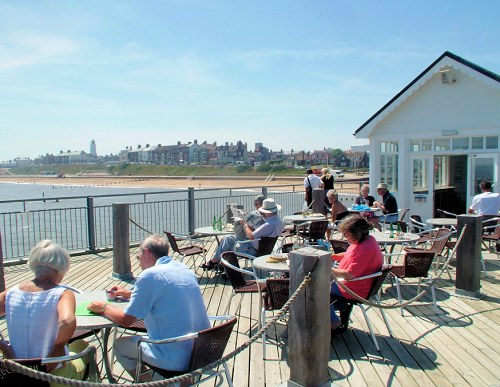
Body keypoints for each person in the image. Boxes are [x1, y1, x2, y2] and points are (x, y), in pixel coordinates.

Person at [87, 234, 209, 381]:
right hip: (201, 353)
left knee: (119, 346)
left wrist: (103, 307)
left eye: (138, 258)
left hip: (175, 355)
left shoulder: (149, 276)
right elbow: (164, 292)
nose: (139, 263)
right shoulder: (184, 269)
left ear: (146, 253)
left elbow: (126, 320)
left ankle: (152, 384)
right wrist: (129, 293)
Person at [0, 240, 89, 384]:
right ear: (60, 269)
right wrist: (58, 346)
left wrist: (4, 347)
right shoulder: (62, 294)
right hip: (51, 376)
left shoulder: (11, 293)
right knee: (82, 346)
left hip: (16, 372)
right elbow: (67, 321)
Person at [330, 216, 383, 331]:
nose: (345, 238)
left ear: (357, 234)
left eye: (347, 234)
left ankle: (333, 322)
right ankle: (338, 308)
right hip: (353, 284)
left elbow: (349, 274)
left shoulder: (366, 248)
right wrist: (331, 257)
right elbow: (348, 255)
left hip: (354, 288)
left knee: (315, 289)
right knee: (320, 286)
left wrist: (326, 269)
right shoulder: (367, 241)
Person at [200, 198, 284, 270]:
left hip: (254, 250)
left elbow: (251, 236)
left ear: (267, 211)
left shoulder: (268, 225)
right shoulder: (278, 222)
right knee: (228, 238)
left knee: (228, 247)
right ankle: (218, 261)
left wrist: (245, 224)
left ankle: (219, 264)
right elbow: (263, 232)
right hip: (263, 247)